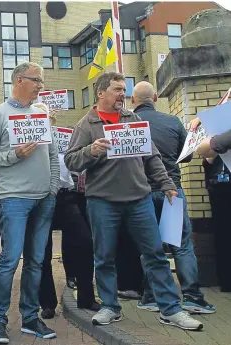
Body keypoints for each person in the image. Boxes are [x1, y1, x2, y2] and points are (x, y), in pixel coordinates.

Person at [64, 72, 203, 331]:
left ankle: (170, 309)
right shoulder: (87, 124)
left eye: (124, 90)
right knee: (104, 257)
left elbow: (152, 157)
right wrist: (91, 150)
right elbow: (71, 161)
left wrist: (167, 184)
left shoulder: (133, 118)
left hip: (140, 200)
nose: (122, 95)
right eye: (117, 89)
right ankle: (110, 307)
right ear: (101, 93)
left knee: (155, 255)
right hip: (102, 202)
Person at [0, 62, 59, 343]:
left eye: (42, 80)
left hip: (44, 199)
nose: (40, 85)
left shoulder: (41, 114)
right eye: (36, 79)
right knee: (10, 260)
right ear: (18, 80)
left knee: (36, 262)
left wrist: (52, 189)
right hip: (14, 198)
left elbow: (52, 154)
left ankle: (29, 318)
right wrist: (14, 156)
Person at [132, 81, 215, 314]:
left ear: (132, 101)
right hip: (171, 191)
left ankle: (150, 296)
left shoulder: (128, 124)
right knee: (180, 245)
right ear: (156, 98)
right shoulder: (172, 121)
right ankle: (191, 296)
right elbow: (185, 157)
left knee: (151, 247)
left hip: (142, 194)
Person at [39, 116, 99, 320]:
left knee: (84, 242)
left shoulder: (62, 138)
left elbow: (75, 163)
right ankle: (47, 303)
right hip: (40, 197)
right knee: (42, 251)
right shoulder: (28, 141)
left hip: (65, 196)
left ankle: (86, 297)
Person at [203, 156, 231, 292]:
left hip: (218, 189)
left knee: (223, 236)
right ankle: (226, 280)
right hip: (219, 190)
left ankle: (225, 280)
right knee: (223, 235)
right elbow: (207, 162)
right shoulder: (214, 145)